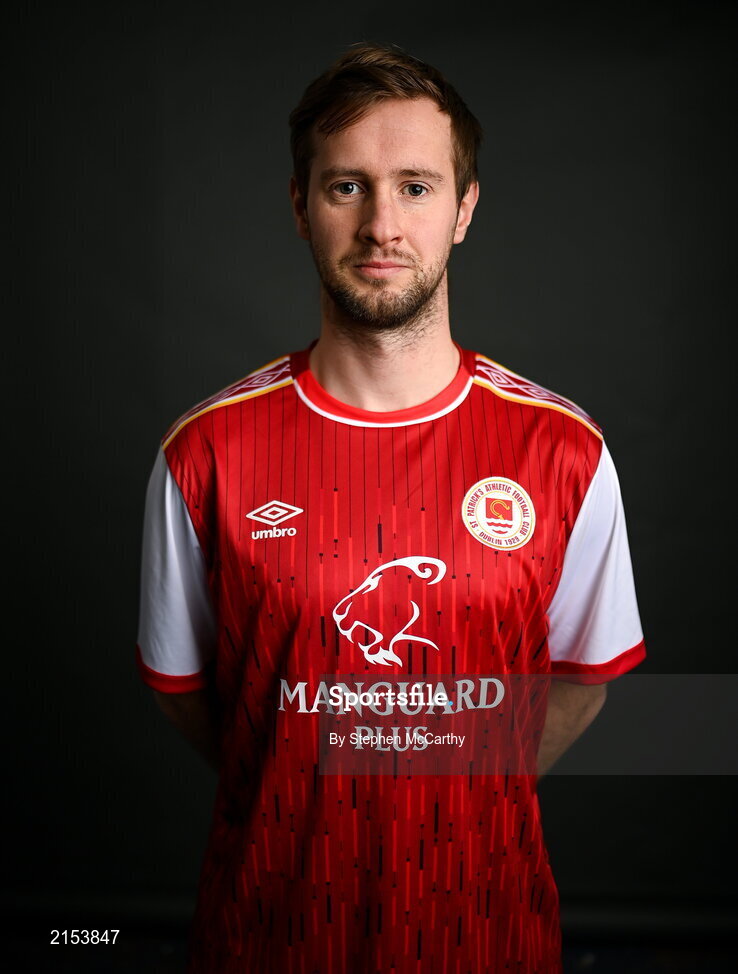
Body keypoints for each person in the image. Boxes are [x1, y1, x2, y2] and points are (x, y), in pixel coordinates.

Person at [135, 42, 646, 974]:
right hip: (270, 942)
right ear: (299, 207)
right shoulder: (206, 453)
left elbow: (583, 676)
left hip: (490, 941)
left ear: (465, 210)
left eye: (416, 186)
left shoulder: (564, 449)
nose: (382, 225)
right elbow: (192, 696)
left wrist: (445, 787)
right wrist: (303, 775)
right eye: (345, 188)